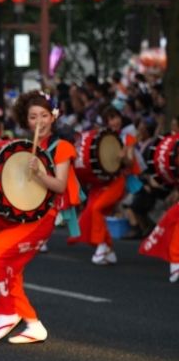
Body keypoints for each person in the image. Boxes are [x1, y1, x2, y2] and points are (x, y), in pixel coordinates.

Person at [0, 91, 81, 344]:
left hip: (43, 217)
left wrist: (38, 173)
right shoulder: (26, 146)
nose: (39, 121)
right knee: (8, 270)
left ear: (53, 117)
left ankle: (8, 311)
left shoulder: (62, 147)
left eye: (44, 116)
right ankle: (33, 324)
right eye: (33, 116)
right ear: (26, 121)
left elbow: (59, 185)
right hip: (21, 217)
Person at [69, 106, 138, 264]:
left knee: (97, 209)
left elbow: (130, 162)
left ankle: (101, 245)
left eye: (116, 117)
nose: (115, 121)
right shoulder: (102, 137)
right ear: (106, 122)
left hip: (118, 181)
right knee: (92, 212)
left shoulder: (128, 138)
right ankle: (108, 249)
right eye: (111, 119)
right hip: (100, 182)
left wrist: (123, 157)